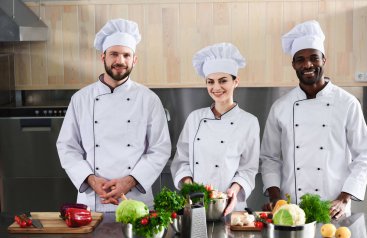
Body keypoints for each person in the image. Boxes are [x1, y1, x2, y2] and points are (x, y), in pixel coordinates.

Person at [260, 20, 367, 219]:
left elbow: (363, 155)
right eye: (300, 59)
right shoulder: (281, 107)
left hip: (333, 208)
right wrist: (276, 198)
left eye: (314, 58)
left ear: (324, 60)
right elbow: (269, 158)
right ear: (293, 64)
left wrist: (344, 198)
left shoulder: (347, 103)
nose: (308, 64)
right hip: (291, 209)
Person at [56, 19, 171, 212]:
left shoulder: (149, 99)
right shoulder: (81, 99)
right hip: (93, 201)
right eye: (114, 54)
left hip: (135, 200)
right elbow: (67, 147)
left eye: (126, 55)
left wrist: (130, 181)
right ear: (103, 57)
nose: (120, 61)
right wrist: (90, 180)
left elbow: (160, 149)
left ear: (135, 59)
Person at [170, 43, 260, 215]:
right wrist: (190, 187)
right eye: (210, 82)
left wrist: (234, 190)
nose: (216, 88)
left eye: (223, 81)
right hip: (195, 204)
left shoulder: (249, 122)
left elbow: (248, 168)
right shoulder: (195, 118)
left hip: (230, 206)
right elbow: (182, 160)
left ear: (236, 81)